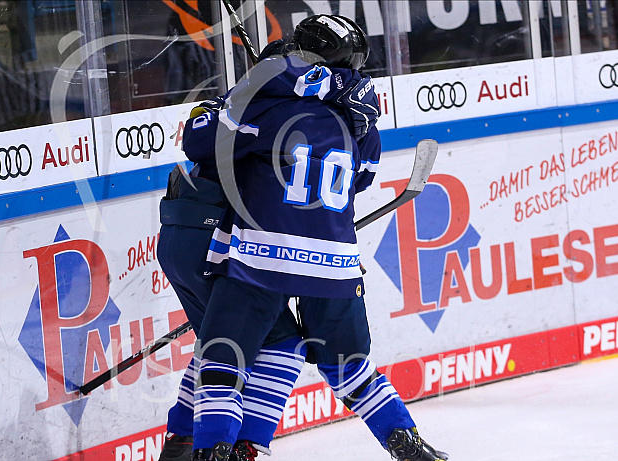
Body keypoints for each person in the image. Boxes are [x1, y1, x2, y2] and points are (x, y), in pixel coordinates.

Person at [181, 15, 448, 461]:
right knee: (351, 367)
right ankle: (408, 444)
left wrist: (245, 92)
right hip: (336, 261)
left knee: (223, 363)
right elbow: (360, 181)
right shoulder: (362, 124)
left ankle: (213, 452)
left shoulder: (268, 107)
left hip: (262, 258)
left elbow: (197, 142)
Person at [156, 38, 379, 461]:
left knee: (217, 342)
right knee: (281, 346)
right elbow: (352, 180)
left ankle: (182, 441)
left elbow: (201, 135)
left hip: (180, 231)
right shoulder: (290, 112)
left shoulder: (241, 106)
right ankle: (239, 449)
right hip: (214, 239)